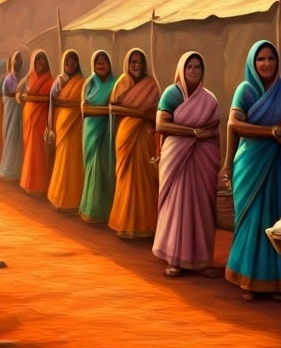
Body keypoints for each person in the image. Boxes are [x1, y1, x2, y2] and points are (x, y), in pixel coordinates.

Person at [223, 41, 281, 300]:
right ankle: (248, 279)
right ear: (252, 63)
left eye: (270, 59)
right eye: (261, 59)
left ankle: (277, 282)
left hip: (278, 162)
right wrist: (228, 162)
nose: (266, 64)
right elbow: (234, 124)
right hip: (249, 163)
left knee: (275, 218)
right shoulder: (245, 89)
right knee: (251, 220)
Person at [152, 52, 221, 276]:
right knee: (177, 206)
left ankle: (201, 261)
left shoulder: (209, 99)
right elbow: (161, 125)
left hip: (203, 159)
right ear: (182, 69)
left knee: (201, 208)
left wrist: (219, 160)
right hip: (176, 159)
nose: (193, 70)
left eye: (197, 67)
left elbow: (213, 131)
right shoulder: (171, 94)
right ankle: (175, 259)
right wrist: (193, 132)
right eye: (189, 66)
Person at [108, 48, 161, 239]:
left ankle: (147, 225)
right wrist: (140, 113)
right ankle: (124, 224)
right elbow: (113, 108)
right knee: (126, 176)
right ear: (127, 64)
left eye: (139, 62)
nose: (137, 65)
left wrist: (133, 111)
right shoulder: (122, 82)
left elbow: (156, 112)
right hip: (125, 135)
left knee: (146, 179)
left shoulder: (152, 84)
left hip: (145, 134)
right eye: (133, 62)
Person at [46, 50, 86, 213]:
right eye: (68, 62)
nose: (71, 65)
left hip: (75, 124)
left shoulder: (82, 82)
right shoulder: (59, 80)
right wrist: (50, 125)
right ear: (64, 64)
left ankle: (73, 200)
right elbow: (52, 101)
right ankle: (58, 198)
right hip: (61, 122)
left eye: (73, 62)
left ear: (77, 64)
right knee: (61, 159)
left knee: (74, 161)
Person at [79, 50, 117, 224]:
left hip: (108, 129)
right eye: (98, 62)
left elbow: (116, 108)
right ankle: (90, 210)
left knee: (104, 168)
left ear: (110, 64)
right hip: (91, 130)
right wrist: (106, 110)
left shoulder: (116, 84)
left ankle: (104, 210)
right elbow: (84, 110)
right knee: (92, 166)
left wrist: (103, 111)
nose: (101, 65)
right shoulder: (88, 84)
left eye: (104, 61)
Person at [16, 49, 52, 197]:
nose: (41, 62)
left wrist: (29, 98)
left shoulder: (51, 79)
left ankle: (39, 185)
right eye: (39, 59)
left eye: (44, 59)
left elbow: (52, 98)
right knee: (29, 149)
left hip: (42, 118)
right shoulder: (28, 79)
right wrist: (22, 97)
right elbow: (17, 95)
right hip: (28, 117)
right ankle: (28, 183)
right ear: (33, 62)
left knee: (38, 150)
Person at [0, 51, 26, 181]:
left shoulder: (17, 78)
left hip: (17, 114)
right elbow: (13, 95)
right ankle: (7, 171)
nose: (18, 63)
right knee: (10, 139)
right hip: (10, 114)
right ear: (12, 62)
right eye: (16, 60)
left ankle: (14, 171)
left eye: (20, 61)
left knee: (16, 140)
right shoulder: (9, 79)